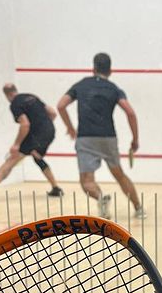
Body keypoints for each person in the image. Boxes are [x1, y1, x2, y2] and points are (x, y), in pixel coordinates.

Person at [57, 52, 145, 219]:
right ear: (110, 71)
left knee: (87, 181)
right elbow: (130, 113)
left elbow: (61, 105)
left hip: (86, 138)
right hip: (108, 138)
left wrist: (70, 128)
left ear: (93, 68)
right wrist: (135, 140)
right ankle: (138, 208)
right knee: (119, 175)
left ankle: (100, 198)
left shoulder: (81, 85)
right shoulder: (114, 89)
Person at [0, 84, 63, 202]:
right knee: (37, 157)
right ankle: (56, 188)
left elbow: (25, 124)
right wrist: (44, 126)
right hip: (50, 132)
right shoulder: (31, 96)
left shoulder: (15, 104)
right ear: (15, 90)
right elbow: (52, 113)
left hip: (35, 135)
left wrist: (16, 144)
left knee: (12, 159)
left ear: (7, 95)